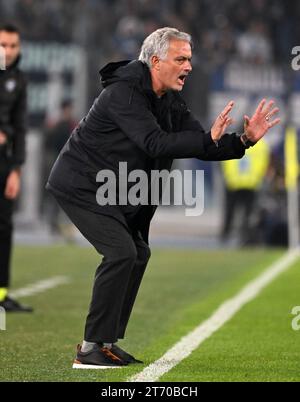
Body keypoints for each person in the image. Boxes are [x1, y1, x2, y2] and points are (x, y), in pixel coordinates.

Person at [46, 27, 280, 368]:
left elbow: (203, 141)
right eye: (180, 59)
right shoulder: (123, 93)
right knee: (121, 252)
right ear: (156, 61)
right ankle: (89, 349)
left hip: (114, 190)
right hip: (81, 184)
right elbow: (153, 143)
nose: (188, 66)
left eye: (190, 59)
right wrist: (207, 140)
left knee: (137, 252)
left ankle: (106, 343)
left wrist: (243, 140)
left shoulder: (169, 100)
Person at [0, 24, 32, 313]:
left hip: (3, 161)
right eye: (2, 45)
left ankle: (1, 294)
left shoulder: (19, 80)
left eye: (12, 46)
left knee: (4, 228)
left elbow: (21, 128)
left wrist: (16, 170)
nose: (7, 51)